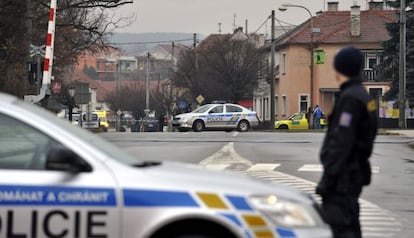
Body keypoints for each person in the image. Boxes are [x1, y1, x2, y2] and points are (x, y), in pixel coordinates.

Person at [316, 46, 377, 238]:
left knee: (341, 228)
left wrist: (329, 179)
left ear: (339, 68)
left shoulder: (350, 99)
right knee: (350, 224)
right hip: (354, 173)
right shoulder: (365, 97)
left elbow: (342, 141)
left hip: (343, 177)